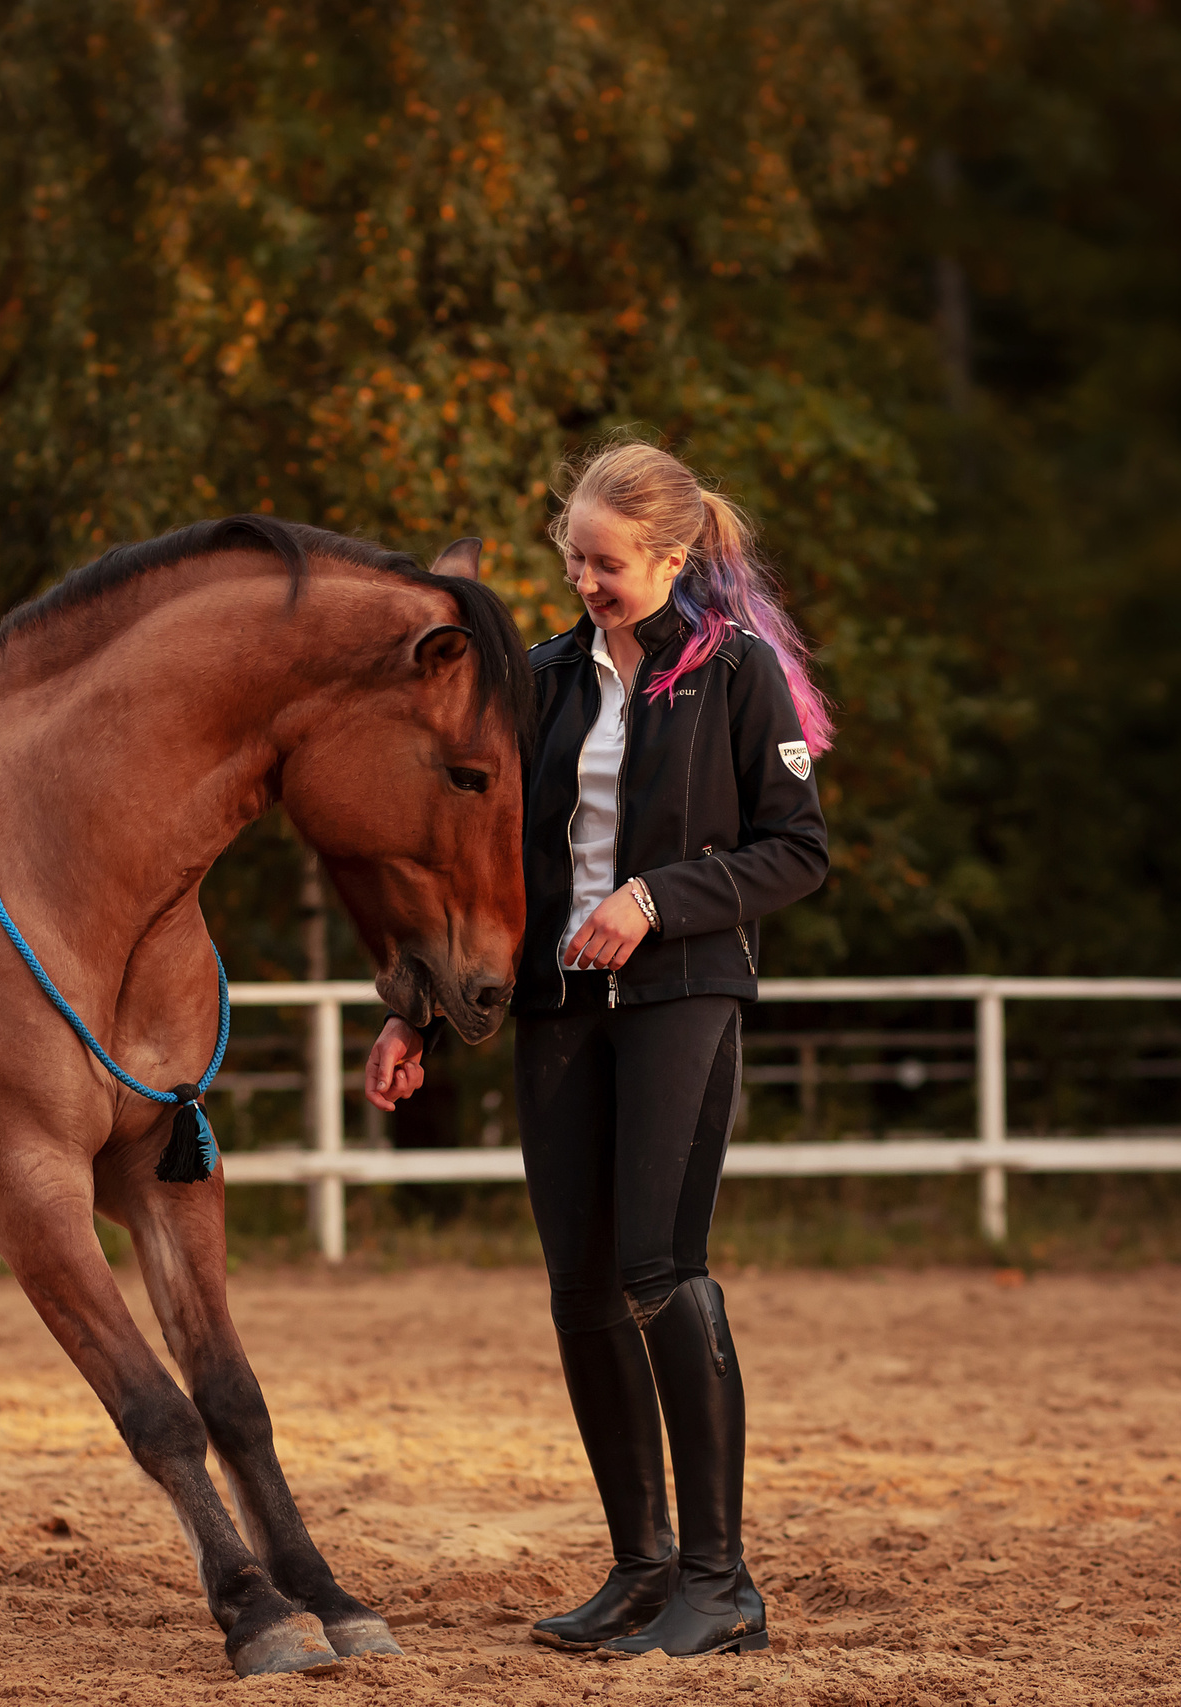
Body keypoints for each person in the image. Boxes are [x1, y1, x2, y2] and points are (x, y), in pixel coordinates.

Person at [365, 440, 831, 1659]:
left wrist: (658, 899)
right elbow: (490, 857)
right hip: (557, 1011)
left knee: (658, 1269)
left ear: (672, 556)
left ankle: (719, 1581)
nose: (584, 579)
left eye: (607, 561)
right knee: (578, 1285)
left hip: (684, 997)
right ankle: (640, 1568)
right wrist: (414, 1008)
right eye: (571, 557)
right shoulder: (546, 680)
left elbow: (797, 851)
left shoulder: (737, 674)